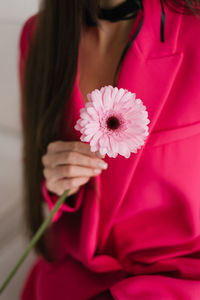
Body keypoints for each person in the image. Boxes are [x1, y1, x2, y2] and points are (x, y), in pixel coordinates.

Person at [18, 0, 200, 299]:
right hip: (74, 277)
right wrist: (56, 182)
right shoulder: (39, 37)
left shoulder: (193, 27)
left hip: (181, 281)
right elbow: (38, 171)